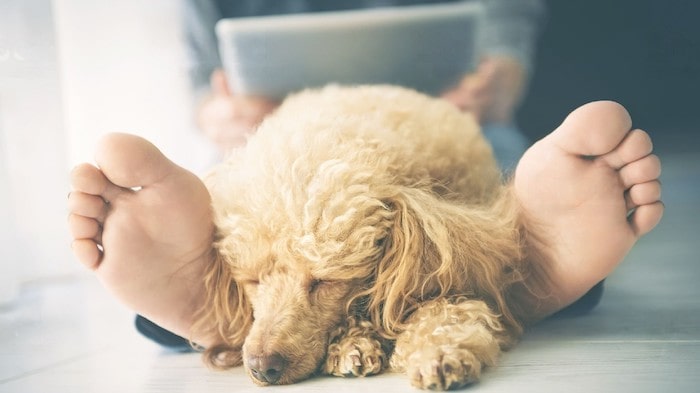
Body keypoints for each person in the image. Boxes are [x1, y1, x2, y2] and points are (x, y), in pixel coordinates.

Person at [66, 1, 664, 350]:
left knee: (492, 156)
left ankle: (524, 247)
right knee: (260, 206)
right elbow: (203, 75)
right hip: (287, 133)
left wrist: (500, 77)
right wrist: (217, 110)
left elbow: (507, 18)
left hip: (448, 113)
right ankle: (516, 272)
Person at [188, 0, 544, 171]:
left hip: (453, 122)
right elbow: (202, 78)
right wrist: (219, 116)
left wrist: (498, 85)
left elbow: (507, 28)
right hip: (280, 136)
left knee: (509, 189)